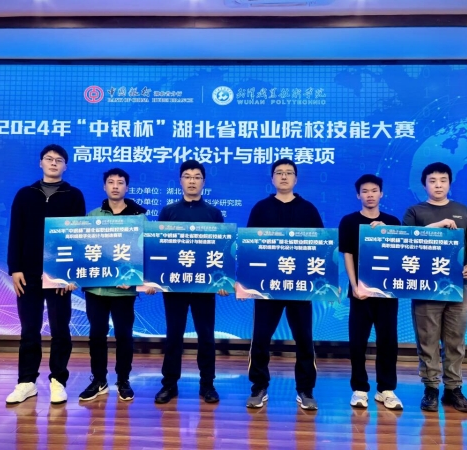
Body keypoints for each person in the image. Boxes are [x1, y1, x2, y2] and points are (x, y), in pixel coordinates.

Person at [6, 144, 86, 405]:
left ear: (65, 166)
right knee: (29, 328)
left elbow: (77, 237)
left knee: (60, 328)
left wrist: (70, 274)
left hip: (58, 274)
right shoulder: (25, 195)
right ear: (40, 163)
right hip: (28, 273)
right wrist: (14, 268)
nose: (53, 163)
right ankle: (26, 382)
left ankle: (58, 380)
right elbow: (16, 232)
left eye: (58, 160)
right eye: (49, 159)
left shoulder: (74, 196)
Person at [246, 158, 323, 411]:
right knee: (260, 338)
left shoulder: (308, 209)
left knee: (304, 339)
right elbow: (249, 247)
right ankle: (259, 387)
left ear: (296, 179)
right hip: (266, 286)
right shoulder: (261, 208)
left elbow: (321, 247)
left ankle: (305, 390)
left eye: (289, 173)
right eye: (279, 173)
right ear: (272, 178)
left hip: (299, 286)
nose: (284, 177)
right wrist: (246, 283)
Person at [403, 162, 467, 413]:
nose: (438, 185)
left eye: (443, 180)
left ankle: (453, 389)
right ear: (424, 184)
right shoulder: (415, 211)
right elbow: (406, 241)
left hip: (458, 285)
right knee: (427, 339)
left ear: (449, 183)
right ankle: (431, 388)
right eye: (433, 180)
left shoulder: (462, 210)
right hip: (425, 286)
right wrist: (437, 225)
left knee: (455, 339)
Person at [154, 160, 229, 405]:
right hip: (174, 285)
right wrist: (153, 280)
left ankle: (207, 385)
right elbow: (159, 248)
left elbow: (221, 250)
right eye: (187, 176)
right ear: (180, 181)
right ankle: (169, 385)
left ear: (203, 182)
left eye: (197, 177)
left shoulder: (213, 213)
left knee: (206, 336)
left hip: (204, 286)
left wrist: (223, 281)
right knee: (173, 335)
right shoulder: (168, 212)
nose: (192, 181)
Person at [78, 168, 147, 402]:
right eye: (111, 182)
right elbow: (83, 251)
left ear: (127, 187)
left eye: (120, 182)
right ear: (104, 186)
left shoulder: (139, 218)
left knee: (124, 336)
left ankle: (123, 380)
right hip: (96, 289)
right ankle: (99, 380)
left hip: (124, 292)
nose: (115, 186)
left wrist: (136, 278)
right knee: (96, 335)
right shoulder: (93, 216)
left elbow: (145, 252)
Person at [338, 174, 403, 410]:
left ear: (381, 194)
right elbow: (347, 254)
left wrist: (389, 233)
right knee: (358, 342)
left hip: (386, 293)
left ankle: (386, 389)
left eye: (374, 190)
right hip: (360, 293)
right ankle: (359, 388)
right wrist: (354, 286)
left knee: (388, 342)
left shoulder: (392, 222)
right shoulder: (348, 221)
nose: (370, 195)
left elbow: (400, 255)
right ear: (358, 195)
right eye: (365, 191)